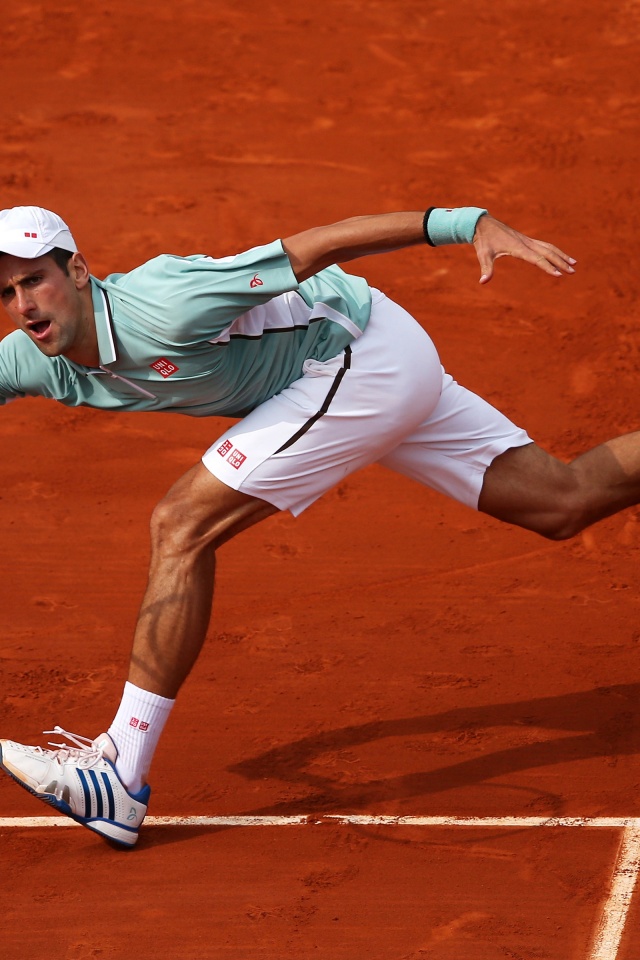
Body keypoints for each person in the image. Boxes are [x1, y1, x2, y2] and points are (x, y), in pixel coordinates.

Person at [0, 203, 633, 848]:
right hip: (367, 356)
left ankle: (119, 772)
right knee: (562, 501)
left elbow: (311, 250)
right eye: (7, 291)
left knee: (182, 524)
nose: (23, 304)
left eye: (34, 280)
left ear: (78, 270)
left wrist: (463, 224)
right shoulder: (34, 359)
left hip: (358, 357)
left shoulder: (165, 303)